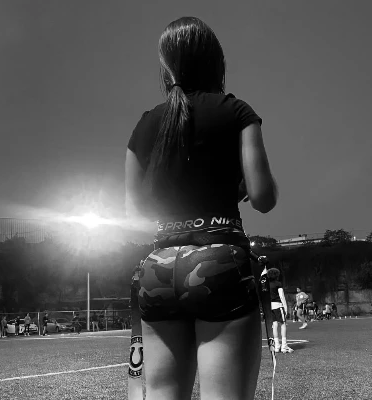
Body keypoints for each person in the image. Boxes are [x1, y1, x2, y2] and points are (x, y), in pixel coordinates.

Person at [125, 16, 278, 400]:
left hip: (159, 268)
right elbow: (263, 198)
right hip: (219, 263)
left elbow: (135, 212)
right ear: (216, 62)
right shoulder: (237, 111)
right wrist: (240, 185)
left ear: (167, 67)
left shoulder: (145, 125)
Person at [267, 268, 293, 353]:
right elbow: (281, 296)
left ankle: (277, 346)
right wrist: (285, 307)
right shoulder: (278, 284)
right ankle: (284, 346)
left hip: (270, 307)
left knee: (274, 325)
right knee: (283, 324)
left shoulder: (266, 285)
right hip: (278, 305)